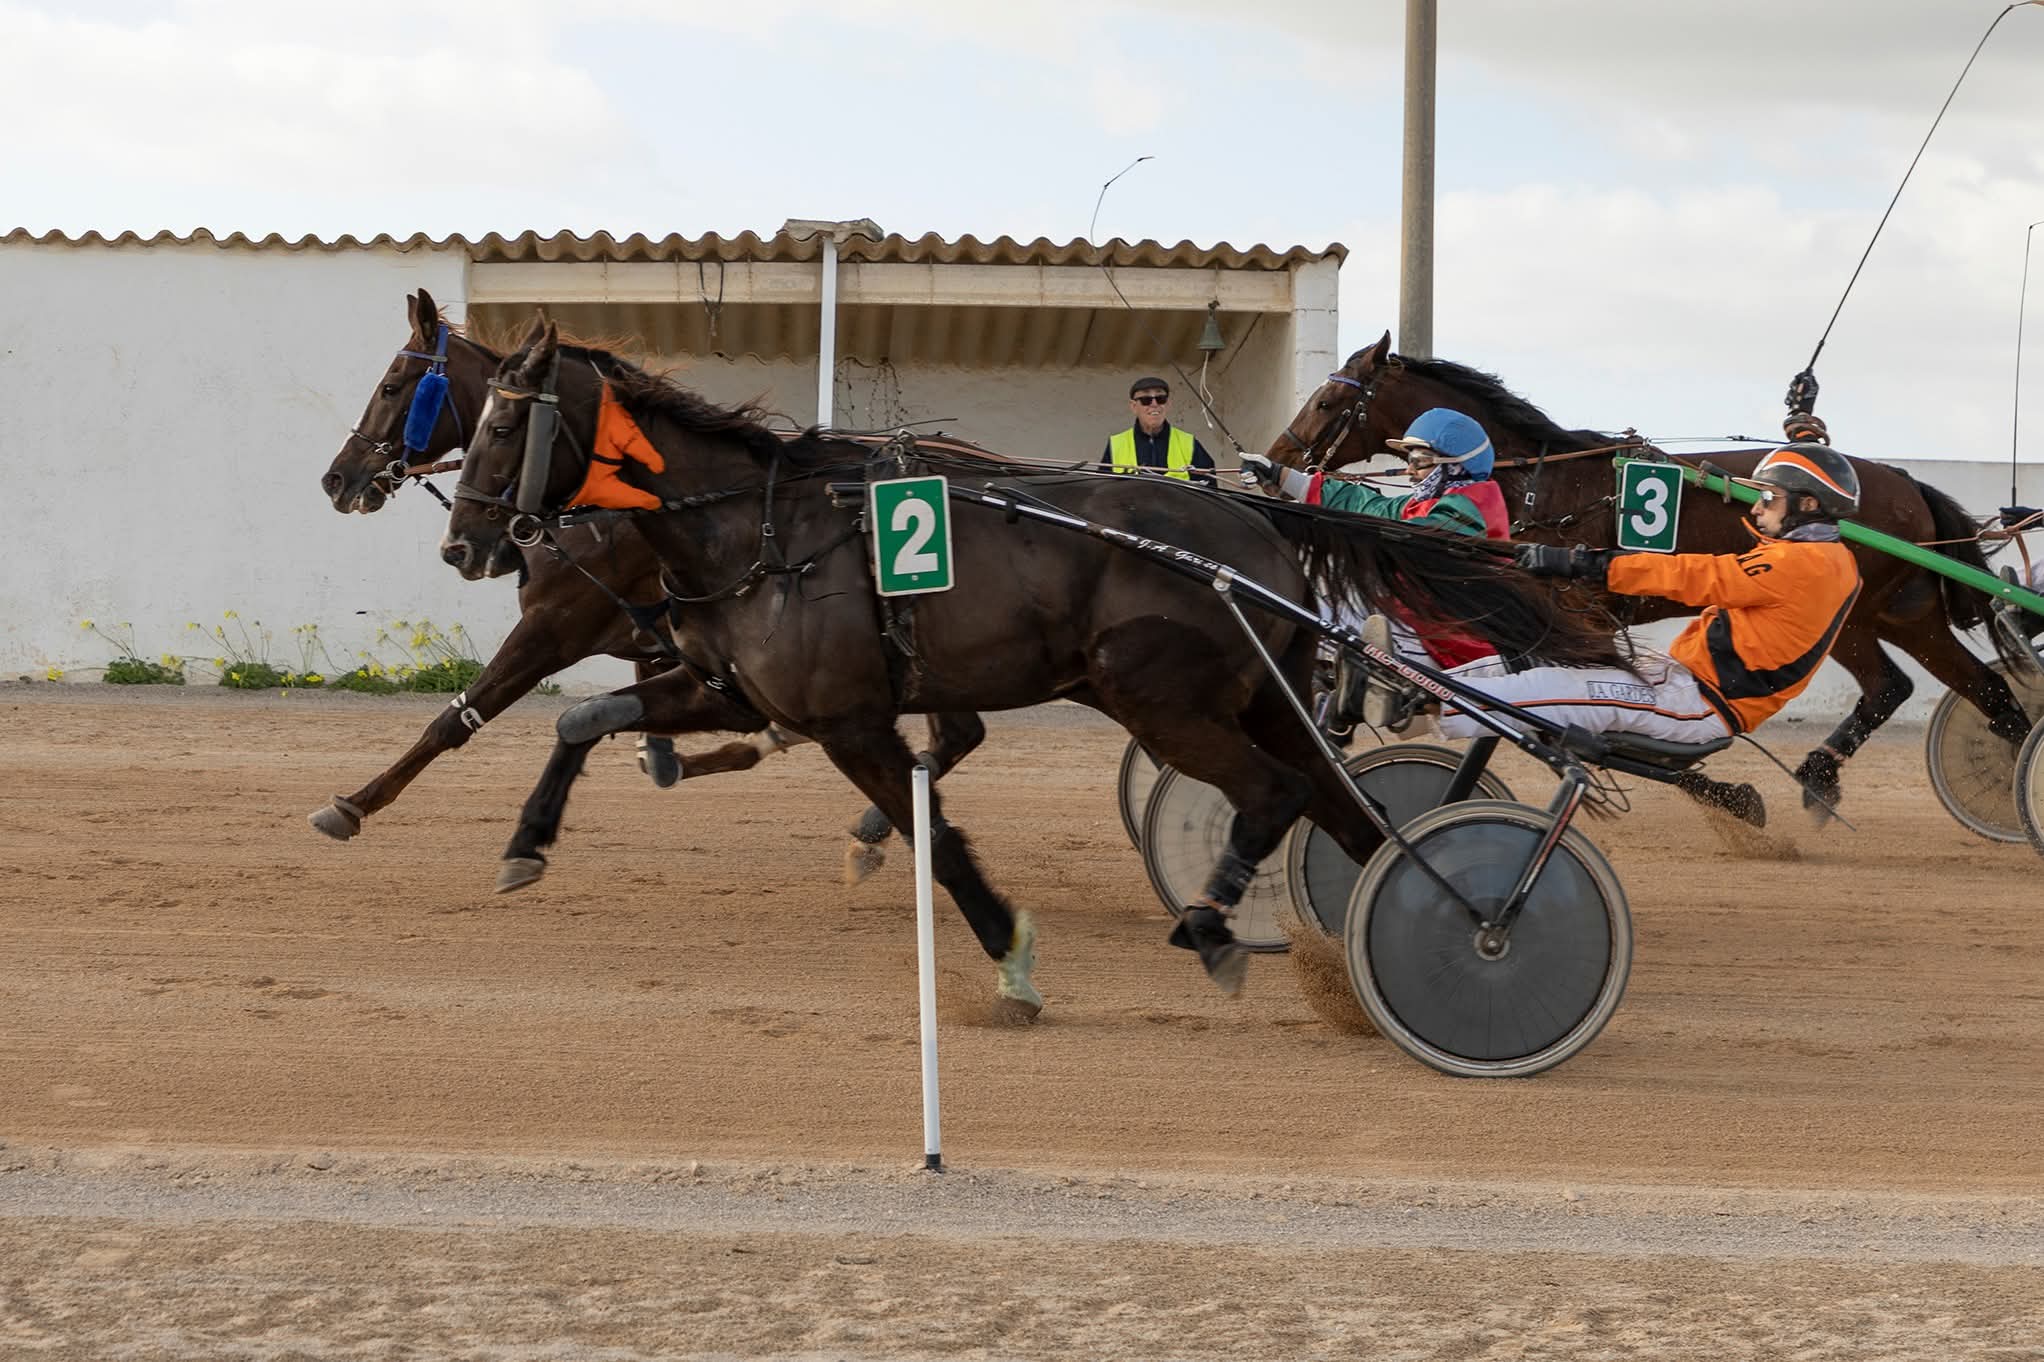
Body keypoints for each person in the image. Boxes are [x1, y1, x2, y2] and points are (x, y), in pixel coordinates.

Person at [1361, 442, 1865, 751]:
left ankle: (1424, 700)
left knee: (1564, 693)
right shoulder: (1831, 559)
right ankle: (1419, 689)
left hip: (1700, 706)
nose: (1759, 509)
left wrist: (1584, 563)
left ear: (1808, 505)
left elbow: (1691, 576)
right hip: (1679, 676)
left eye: (1769, 498)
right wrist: (1802, 428)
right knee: (1548, 660)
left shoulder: (1800, 564)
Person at [1238, 407, 1513, 724]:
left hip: (1458, 635)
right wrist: (1280, 475)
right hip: (1425, 618)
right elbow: (1369, 506)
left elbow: (1411, 539)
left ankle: (1365, 688)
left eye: (1419, 461)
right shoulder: (1432, 502)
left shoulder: (1471, 505)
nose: (1409, 471)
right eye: (1408, 460)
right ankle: (1344, 688)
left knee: (1319, 601)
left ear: (1454, 466)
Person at [1101, 377, 1216, 486]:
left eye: (1161, 399)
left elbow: (1210, 494)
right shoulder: (1116, 444)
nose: (1154, 404)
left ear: (1168, 404)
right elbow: (1102, 492)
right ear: (1133, 406)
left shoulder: (1189, 442)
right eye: (1146, 400)